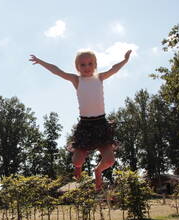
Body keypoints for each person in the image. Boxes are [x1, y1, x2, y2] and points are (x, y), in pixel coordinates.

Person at [29, 49, 131, 191]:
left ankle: (98, 171)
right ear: (77, 67)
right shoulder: (77, 80)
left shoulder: (100, 77)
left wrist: (125, 60)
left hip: (101, 124)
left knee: (109, 160)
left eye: (90, 64)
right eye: (82, 65)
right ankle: (78, 167)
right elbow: (57, 71)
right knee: (77, 161)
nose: (87, 67)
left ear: (95, 65)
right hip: (86, 125)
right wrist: (40, 62)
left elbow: (114, 69)